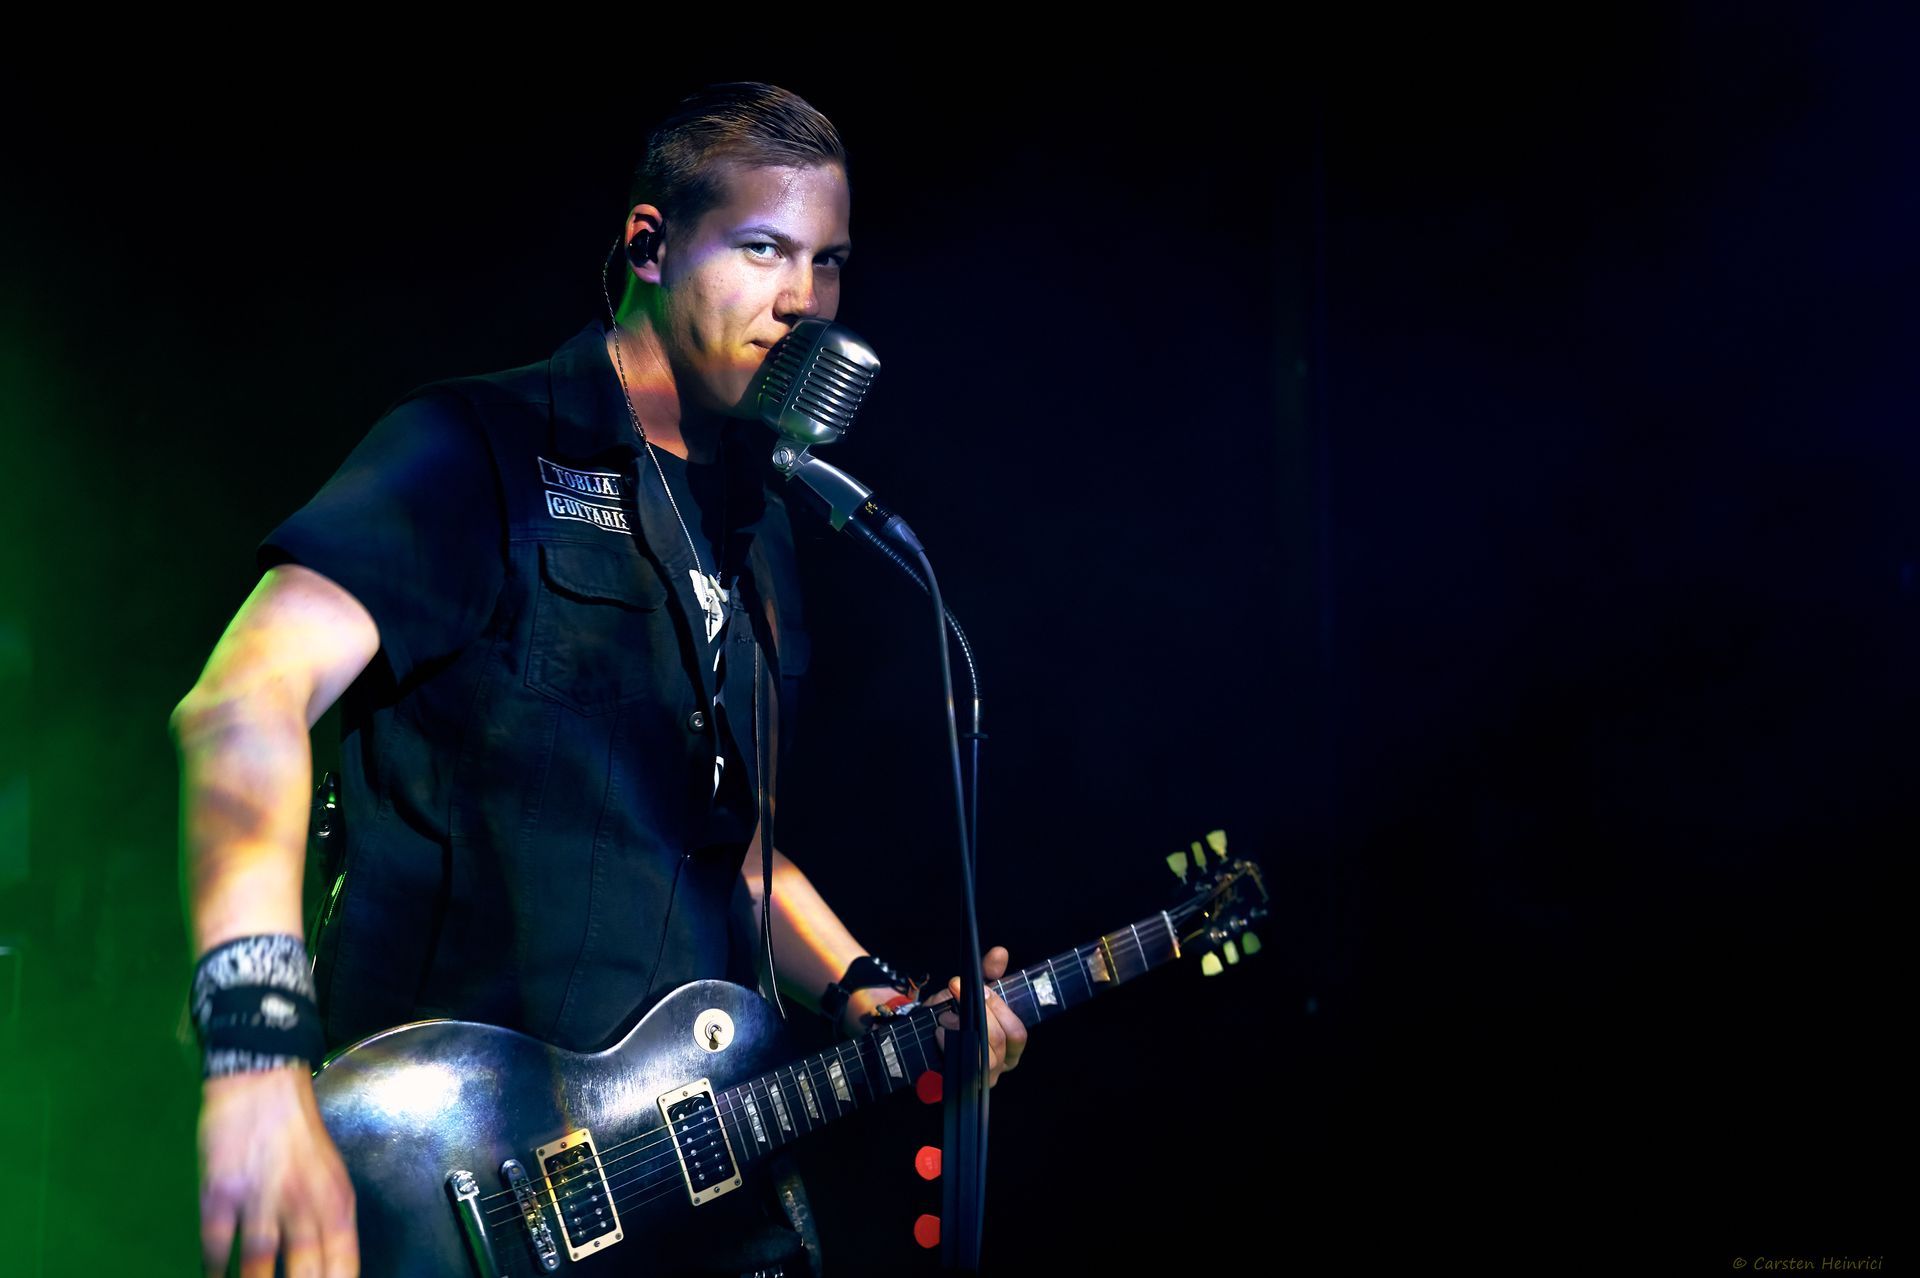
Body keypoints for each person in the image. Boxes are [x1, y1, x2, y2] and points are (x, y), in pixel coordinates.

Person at [170, 82, 1027, 1278]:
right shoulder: (475, 450)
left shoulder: (762, 528)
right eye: (765, 249)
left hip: (680, 1204)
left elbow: (728, 848)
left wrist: (865, 991)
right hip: (452, 1187)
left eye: (828, 262)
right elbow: (242, 701)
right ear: (649, 245)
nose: (804, 301)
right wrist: (255, 1058)